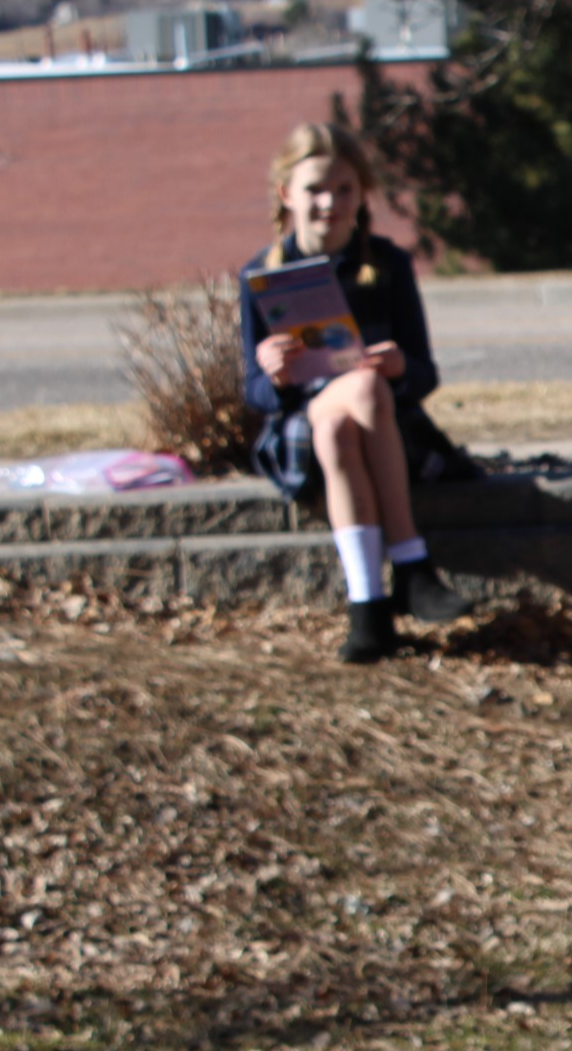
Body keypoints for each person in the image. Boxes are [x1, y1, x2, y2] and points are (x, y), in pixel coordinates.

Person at [240, 121, 470, 665]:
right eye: (316, 189)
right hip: (298, 424)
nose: (330, 202)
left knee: (354, 409)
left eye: (344, 189)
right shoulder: (263, 273)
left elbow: (424, 373)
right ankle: (411, 563)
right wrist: (270, 372)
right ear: (286, 194)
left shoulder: (387, 264)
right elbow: (251, 391)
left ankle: (368, 613)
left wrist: (399, 367)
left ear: (361, 194)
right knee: (356, 394)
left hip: (378, 429)